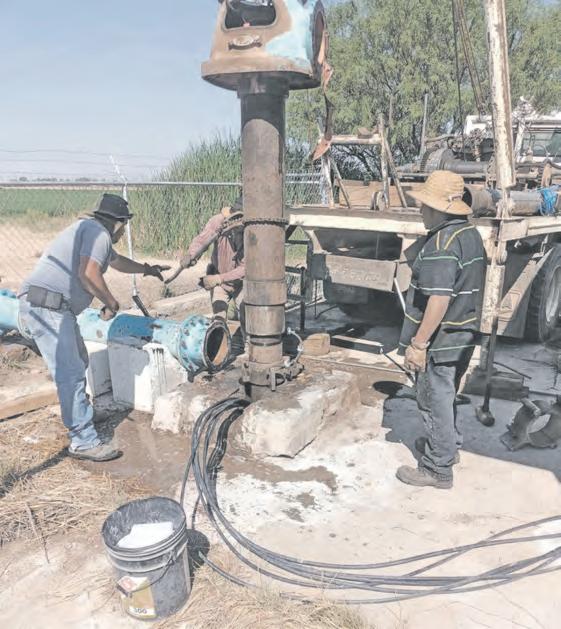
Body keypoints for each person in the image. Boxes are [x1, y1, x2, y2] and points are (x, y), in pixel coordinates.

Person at [18, 193, 170, 462]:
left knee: (79, 359)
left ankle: (83, 414)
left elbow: (118, 262)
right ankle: (83, 441)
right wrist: (111, 302)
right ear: (118, 223)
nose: (123, 231)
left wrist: (147, 269)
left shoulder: (90, 231)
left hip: (51, 306)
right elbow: (88, 273)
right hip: (48, 307)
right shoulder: (99, 233)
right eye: (124, 226)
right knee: (70, 374)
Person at [396, 170, 486, 489]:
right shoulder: (469, 234)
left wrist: (419, 344)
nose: (420, 210)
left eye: (424, 205)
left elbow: (438, 299)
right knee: (446, 395)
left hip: (442, 338)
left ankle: (437, 467)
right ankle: (447, 446)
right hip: (464, 333)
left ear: (438, 209)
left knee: (433, 398)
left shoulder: (441, 243)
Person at [178, 197, 245, 324]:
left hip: (242, 284)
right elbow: (202, 240)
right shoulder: (218, 221)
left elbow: (245, 269)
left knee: (247, 315)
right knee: (219, 314)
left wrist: (218, 278)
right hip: (220, 280)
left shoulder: (253, 233)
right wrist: (191, 255)